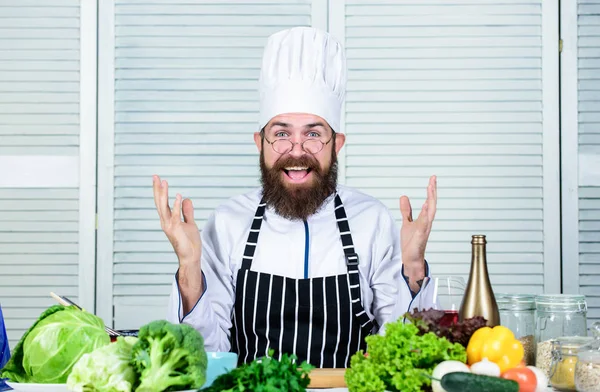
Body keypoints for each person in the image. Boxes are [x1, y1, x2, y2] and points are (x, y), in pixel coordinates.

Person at [155, 26, 437, 368]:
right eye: (281, 134)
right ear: (260, 143)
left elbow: (400, 353)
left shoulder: (371, 219)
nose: (297, 151)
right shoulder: (229, 221)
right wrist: (189, 267)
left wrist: (413, 265)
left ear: (338, 145)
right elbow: (205, 352)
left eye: (314, 134)